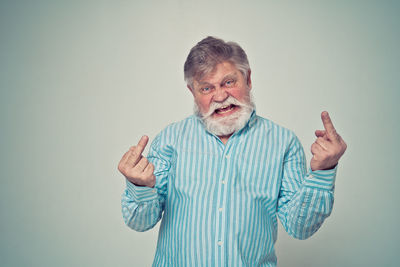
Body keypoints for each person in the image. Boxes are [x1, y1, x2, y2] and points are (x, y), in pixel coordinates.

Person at [118, 36, 347, 267]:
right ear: (192, 92)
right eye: (206, 88)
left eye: (228, 82)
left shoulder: (283, 143)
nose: (219, 96)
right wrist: (139, 186)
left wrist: (323, 172)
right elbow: (140, 222)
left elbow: (300, 227)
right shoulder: (170, 140)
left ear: (248, 78)